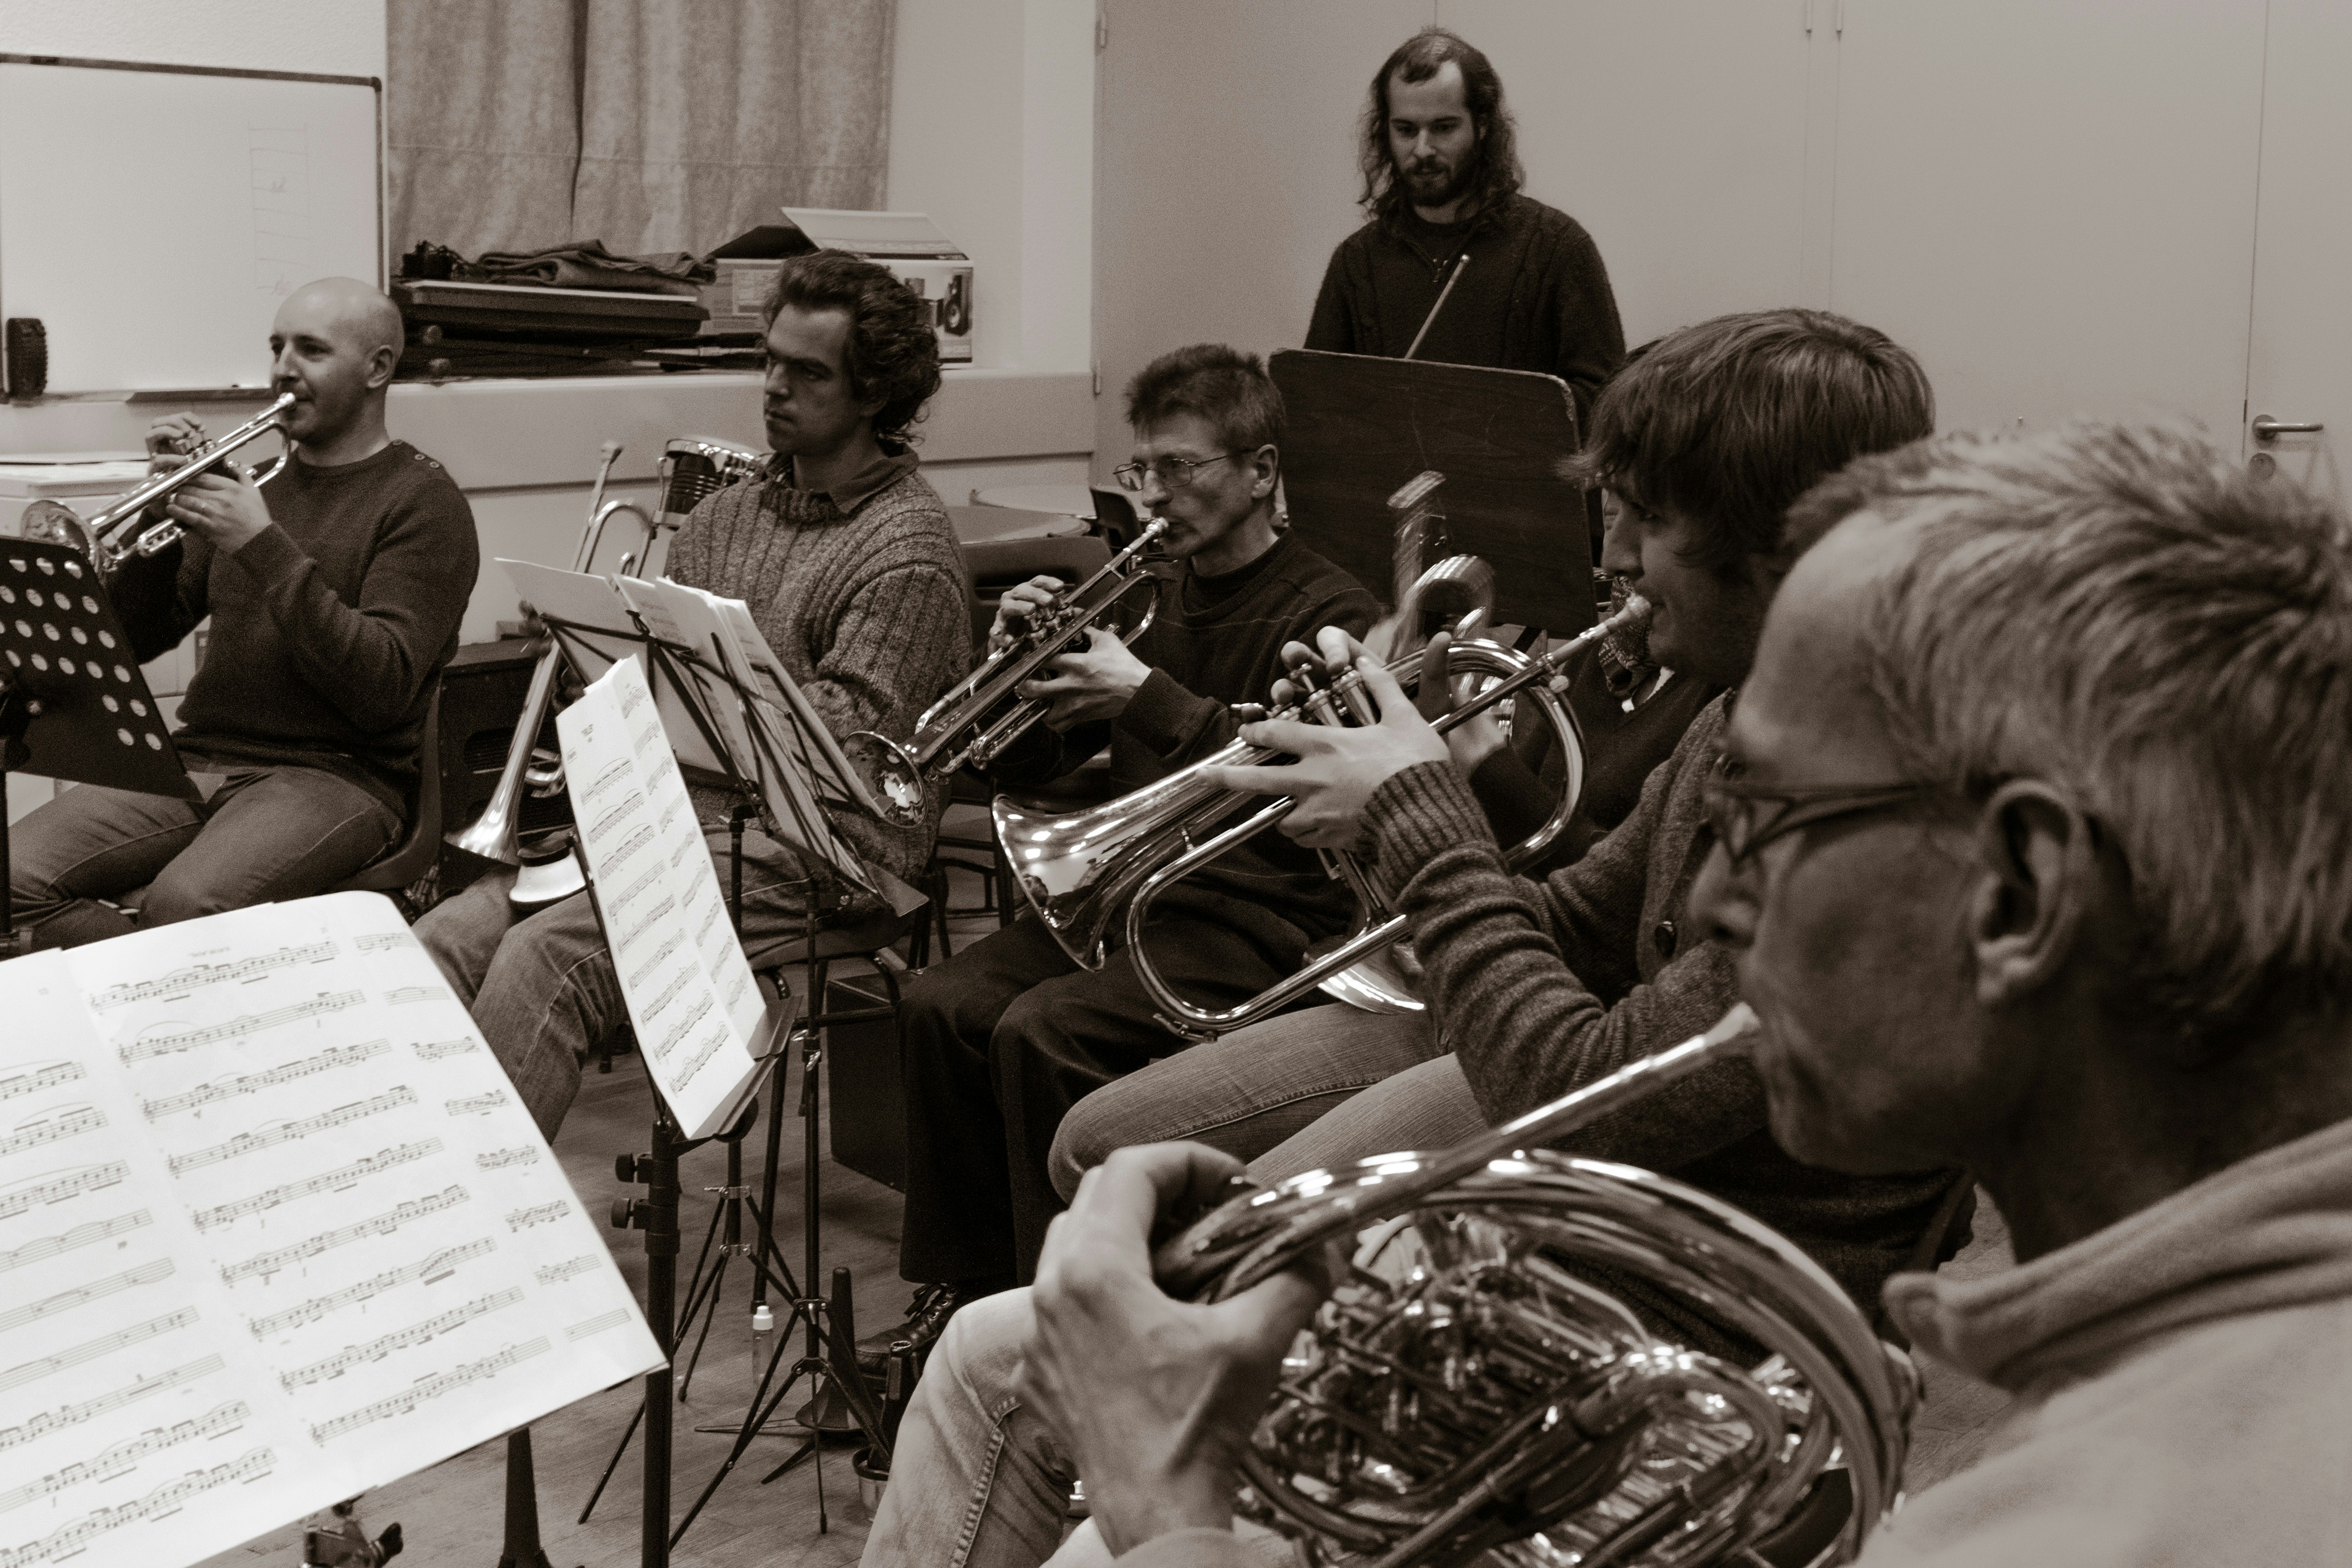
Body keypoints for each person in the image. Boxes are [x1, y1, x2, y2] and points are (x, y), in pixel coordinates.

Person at [1017, 421, 2352, 1566]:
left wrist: (1173, 1511)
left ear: (2018, 893)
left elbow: (1561, 1069)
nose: (1713, 906)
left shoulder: (2067, 1533)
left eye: (1768, 819)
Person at [859, 309, 1967, 1568]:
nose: (1606, 558)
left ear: (1786, 543)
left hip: (1664, 1328)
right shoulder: (1732, 718)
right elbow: (1567, 921)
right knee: (982, 1349)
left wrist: (1419, 812)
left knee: (1085, 1502)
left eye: (1643, 521)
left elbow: (1574, 1089)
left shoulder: (1859, 806)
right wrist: (1369, 813)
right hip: (1563, 1230)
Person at [875, 345, 1380, 1359]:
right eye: (1142, 471)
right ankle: (966, 1297)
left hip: (1266, 915)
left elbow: (1293, 794)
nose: (1154, 498)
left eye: (1183, 469)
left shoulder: (1330, 615)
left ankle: (1066, 1325)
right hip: (1135, 893)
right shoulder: (1147, 594)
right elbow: (1039, 769)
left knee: (1040, 1032)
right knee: (939, 1004)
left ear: (1262, 471)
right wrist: (1024, 675)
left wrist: (1139, 694)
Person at [414, 251, 968, 1139]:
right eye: (771, 360)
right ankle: (407, 1182)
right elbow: (652, 698)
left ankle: (488, 1222)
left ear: (874, 395)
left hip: (825, 855)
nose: (774, 387)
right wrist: (589, 635)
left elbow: (858, 761)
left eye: (808, 372)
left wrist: (707, 690)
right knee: (444, 940)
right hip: (684, 819)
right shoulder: (723, 517)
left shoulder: (906, 549)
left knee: (547, 957)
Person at [7, 277, 477, 950]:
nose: (284, 367)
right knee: (10, 878)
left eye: (311, 350)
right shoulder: (254, 482)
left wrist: (261, 545)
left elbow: (383, 686)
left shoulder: (424, 504)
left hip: (339, 776)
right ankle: (152, 1007)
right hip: (200, 760)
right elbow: (138, 638)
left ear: (377, 368)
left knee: (186, 907)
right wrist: (156, 517)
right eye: (277, 347)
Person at [1306, 26, 1624, 426]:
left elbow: (1609, 404)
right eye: (1405, 130)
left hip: (1517, 487)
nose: (1422, 150)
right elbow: (1317, 406)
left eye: (1443, 127)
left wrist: (1476, 419)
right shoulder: (1356, 262)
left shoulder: (1559, 248)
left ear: (1483, 125)